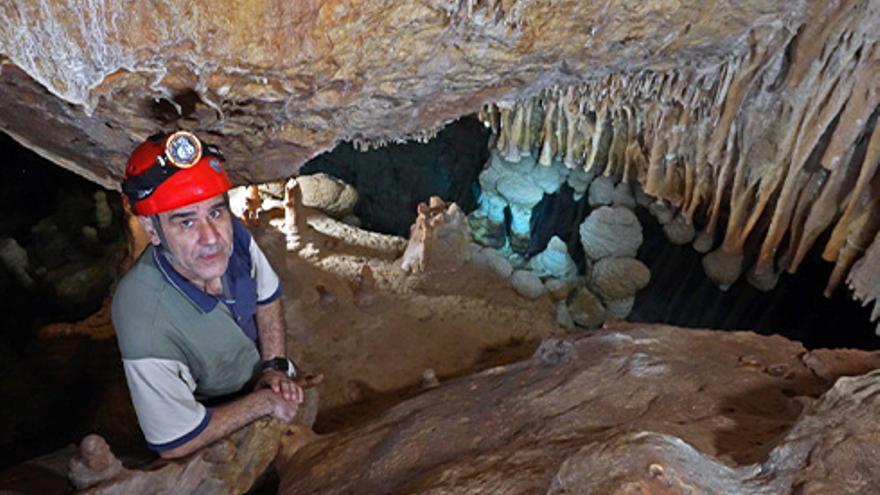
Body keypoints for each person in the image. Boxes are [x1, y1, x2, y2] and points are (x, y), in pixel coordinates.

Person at [112, 130, 302, 459]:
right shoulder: (142, 313)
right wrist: (264, 402)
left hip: (259, 379)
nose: (211, 237)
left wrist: (274, 367)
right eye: (186, 223)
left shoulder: (236, 238)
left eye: (215, 212)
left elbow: (267, 296)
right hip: (209, 426)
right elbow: (175, 441)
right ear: (152, 230)